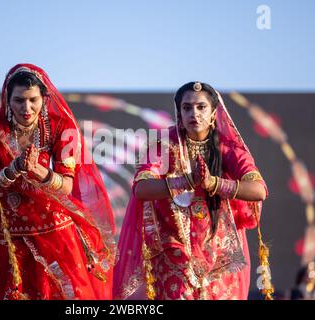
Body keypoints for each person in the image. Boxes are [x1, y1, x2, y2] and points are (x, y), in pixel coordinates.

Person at [113, 81, 268, 300]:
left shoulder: (227, 148)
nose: (194, 113)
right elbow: (141, 188)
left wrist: (213, 183)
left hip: (218, 256)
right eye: (187, 107)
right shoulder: (164, 146)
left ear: (214, 113)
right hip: (174, 252)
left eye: (201, 107)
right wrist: (186, 181)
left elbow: (258, 190)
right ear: (179, 113)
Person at [0, 63, 115, 300]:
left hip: (52, 225)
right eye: (19, 100)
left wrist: (39, 172)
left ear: (44, 98)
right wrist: (13, 170)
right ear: (7, 100)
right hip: (8, 231)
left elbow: (67, 186)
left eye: (33, 100)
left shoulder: (62, 127)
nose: (26, 108)